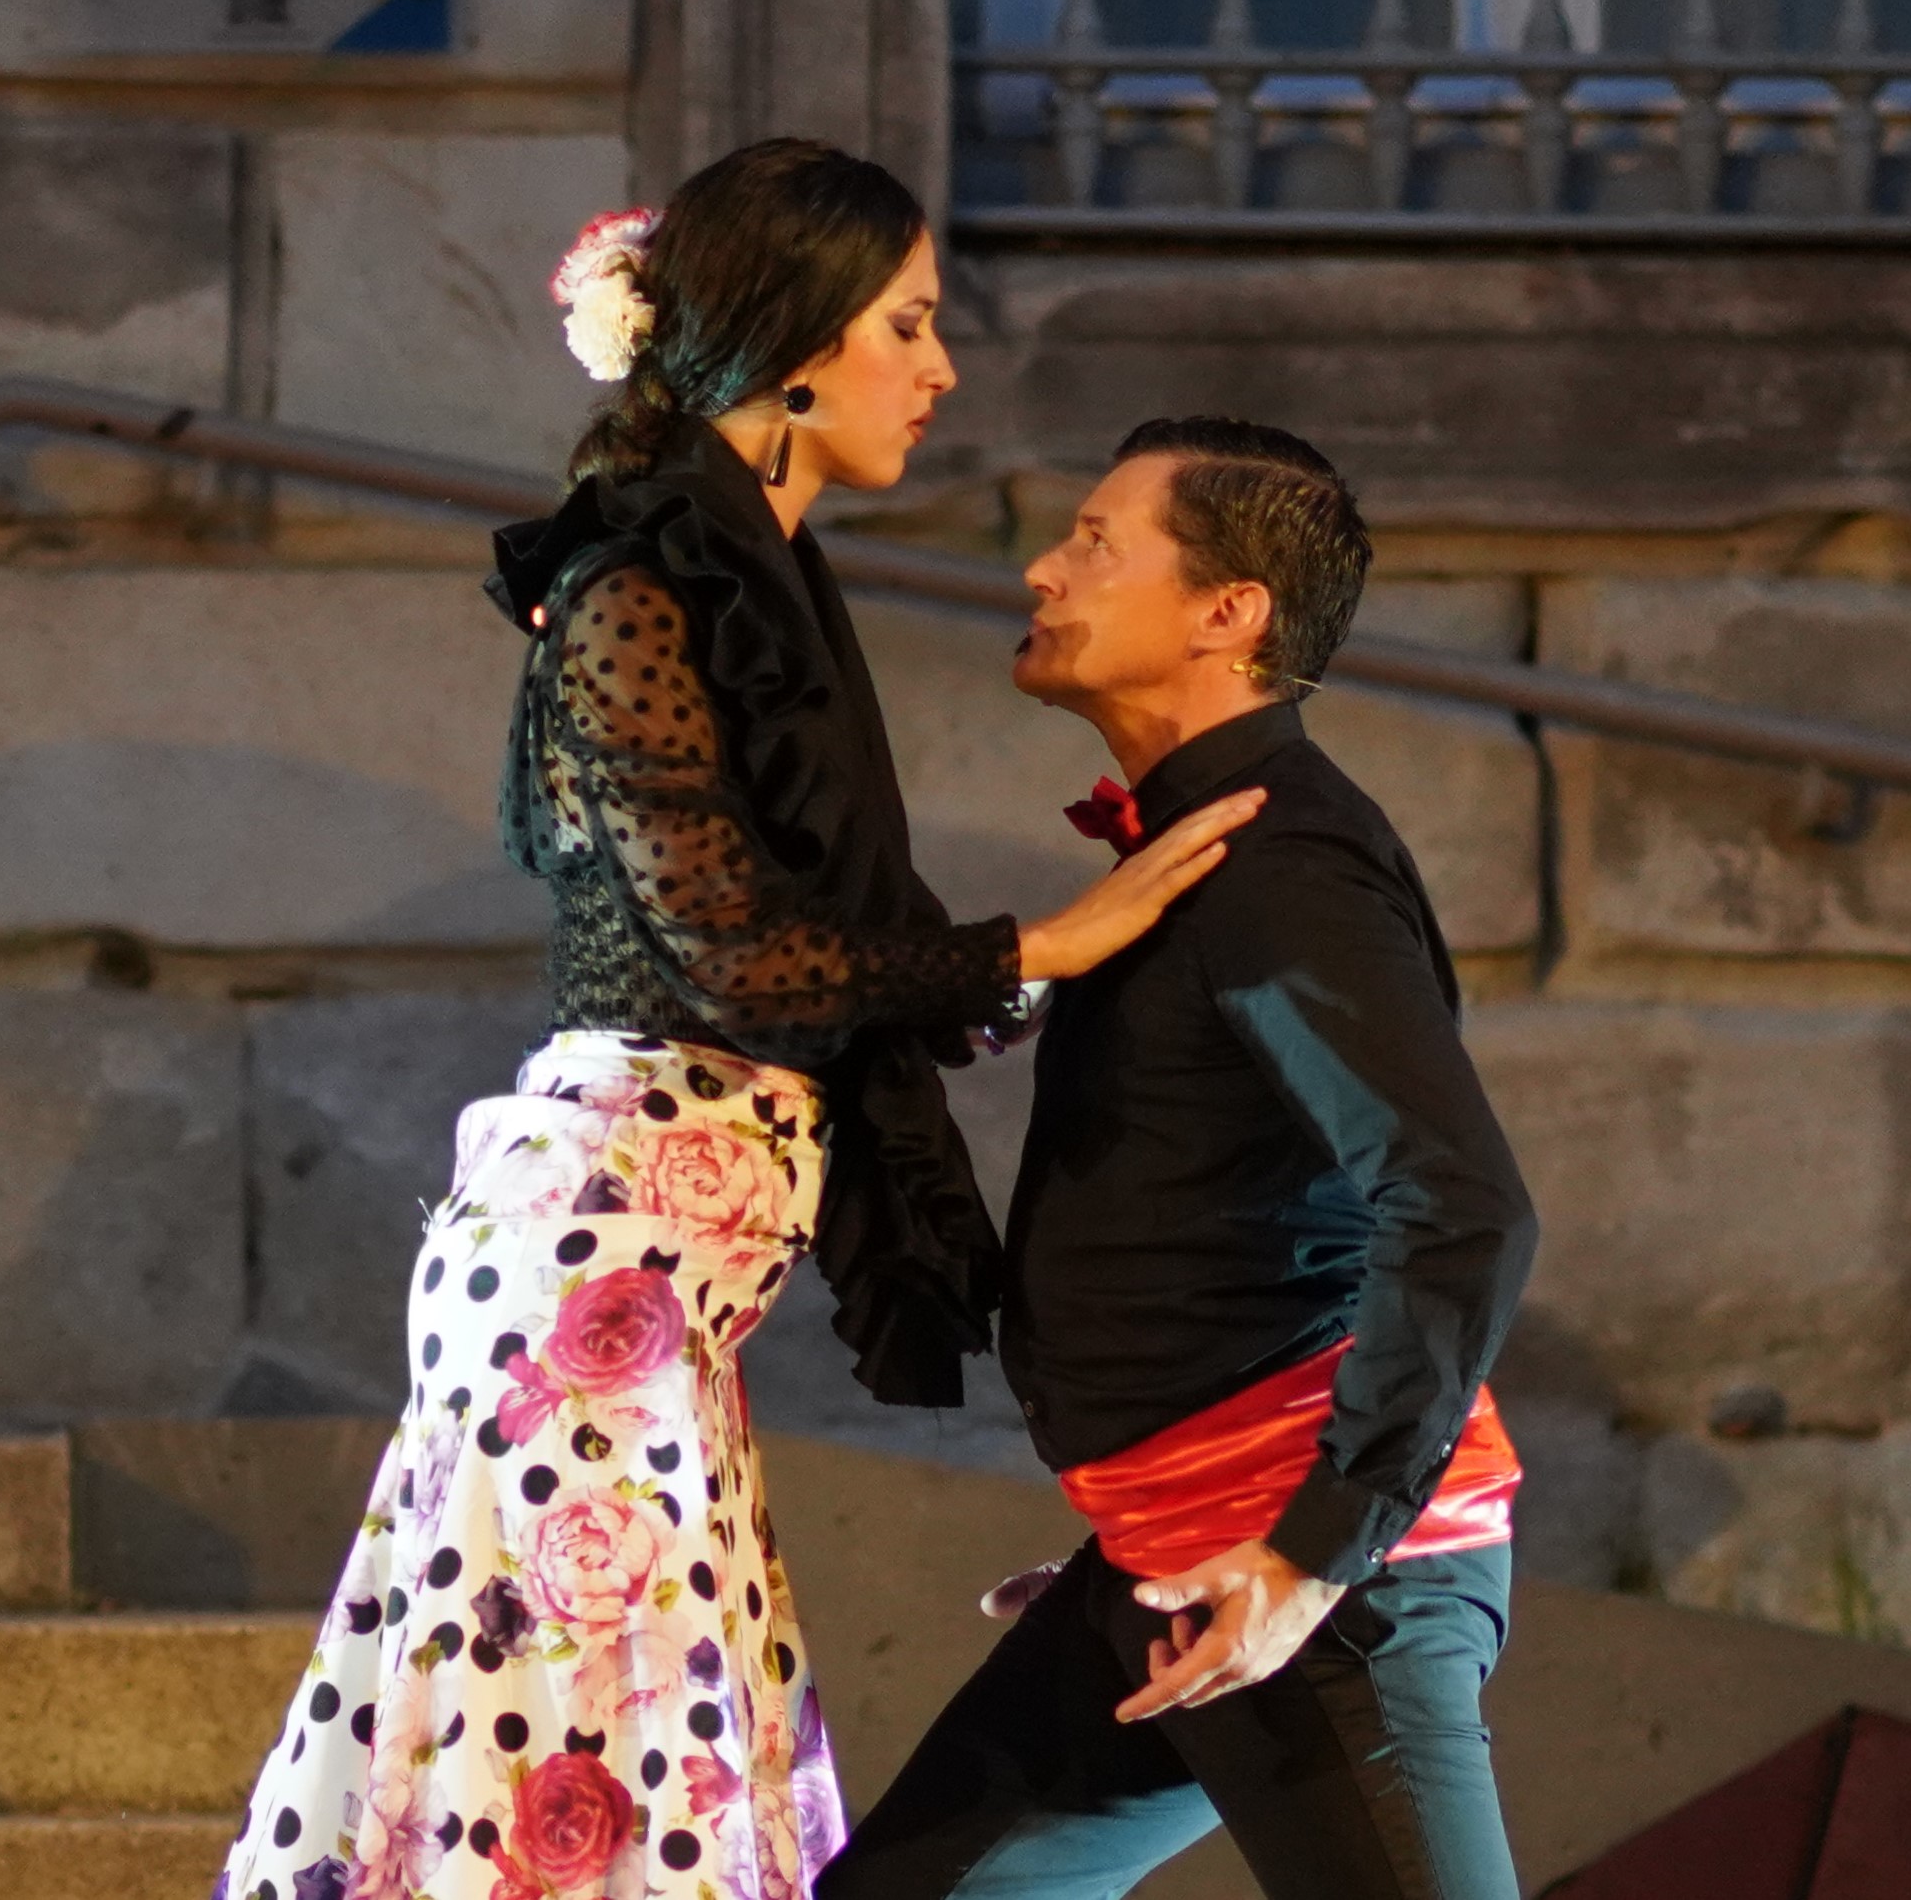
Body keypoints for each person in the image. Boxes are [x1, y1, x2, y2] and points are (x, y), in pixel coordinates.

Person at [213, 147, 1261, 1900]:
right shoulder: (636, 587)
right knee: (572, 1794)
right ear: (792, 341)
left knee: (641, 1780)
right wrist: (1043, 941)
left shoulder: (758, 582)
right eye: (905, 325)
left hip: (657, 1296)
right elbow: (732, 958)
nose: (940, 369)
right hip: (588, 1279)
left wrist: (1039, 967)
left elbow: (832, 954)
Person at [816, 419, 1538, 1900]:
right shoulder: (1200, 846)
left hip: (1311, 1583)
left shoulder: (1283, 864)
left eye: (1095, 542)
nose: (1043, 568)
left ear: (1229, 612)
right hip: (1168, 1555)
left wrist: (1315, 1549)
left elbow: (1462, 1203)